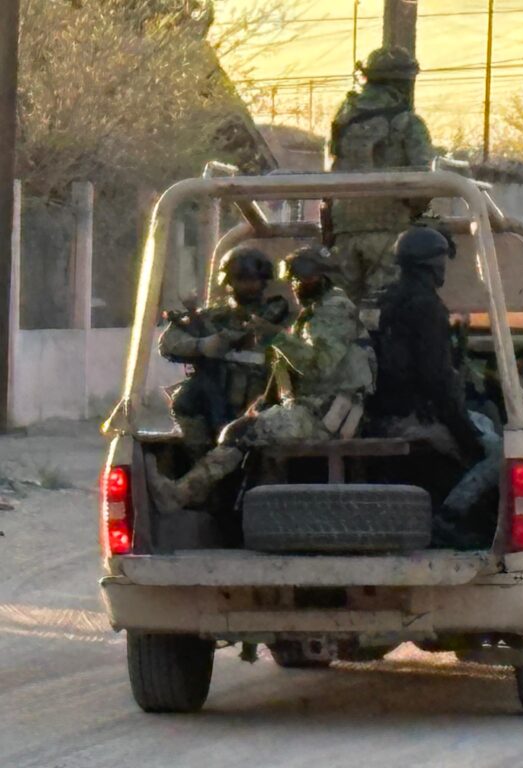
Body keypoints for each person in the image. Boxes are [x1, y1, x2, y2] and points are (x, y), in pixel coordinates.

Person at [147, 247, 376, 512]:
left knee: (243, 432)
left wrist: (274, 336)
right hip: (305, 406)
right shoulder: (311, 313)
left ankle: (181, 494)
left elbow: (318, 363)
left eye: (304, 279)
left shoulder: (330, 310)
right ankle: (196, 491)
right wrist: (203, 345)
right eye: (294, 280)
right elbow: (288, 371)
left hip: (325, 412)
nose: (297, 286)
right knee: (201, 406)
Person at [368, 226, 500, 547]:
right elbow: (436, 379)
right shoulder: (426, 307)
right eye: (441, 261)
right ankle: (449, 519)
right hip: (412, 417)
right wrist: (465, 432)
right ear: (431, 264)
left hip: (378, 412)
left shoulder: (384, 300)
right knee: (498, 452)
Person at [326, 46, 435, 304]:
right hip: (390, 233)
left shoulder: (343, 119)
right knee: (384, 310)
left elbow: (331, 170)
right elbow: (424, 181)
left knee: (341, 310)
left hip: (343, 232)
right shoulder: (408, 121)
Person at [159, 247, 289, 459]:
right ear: (228, 282)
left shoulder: (280, 319)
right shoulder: (212, 318)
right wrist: (201, 345)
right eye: (241, 279)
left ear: (264, 282)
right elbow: (169, 342)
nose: (249, 286)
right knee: (186, 398)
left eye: (254, 280)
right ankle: (202, 458)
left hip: (264, 410)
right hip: (215, 411)